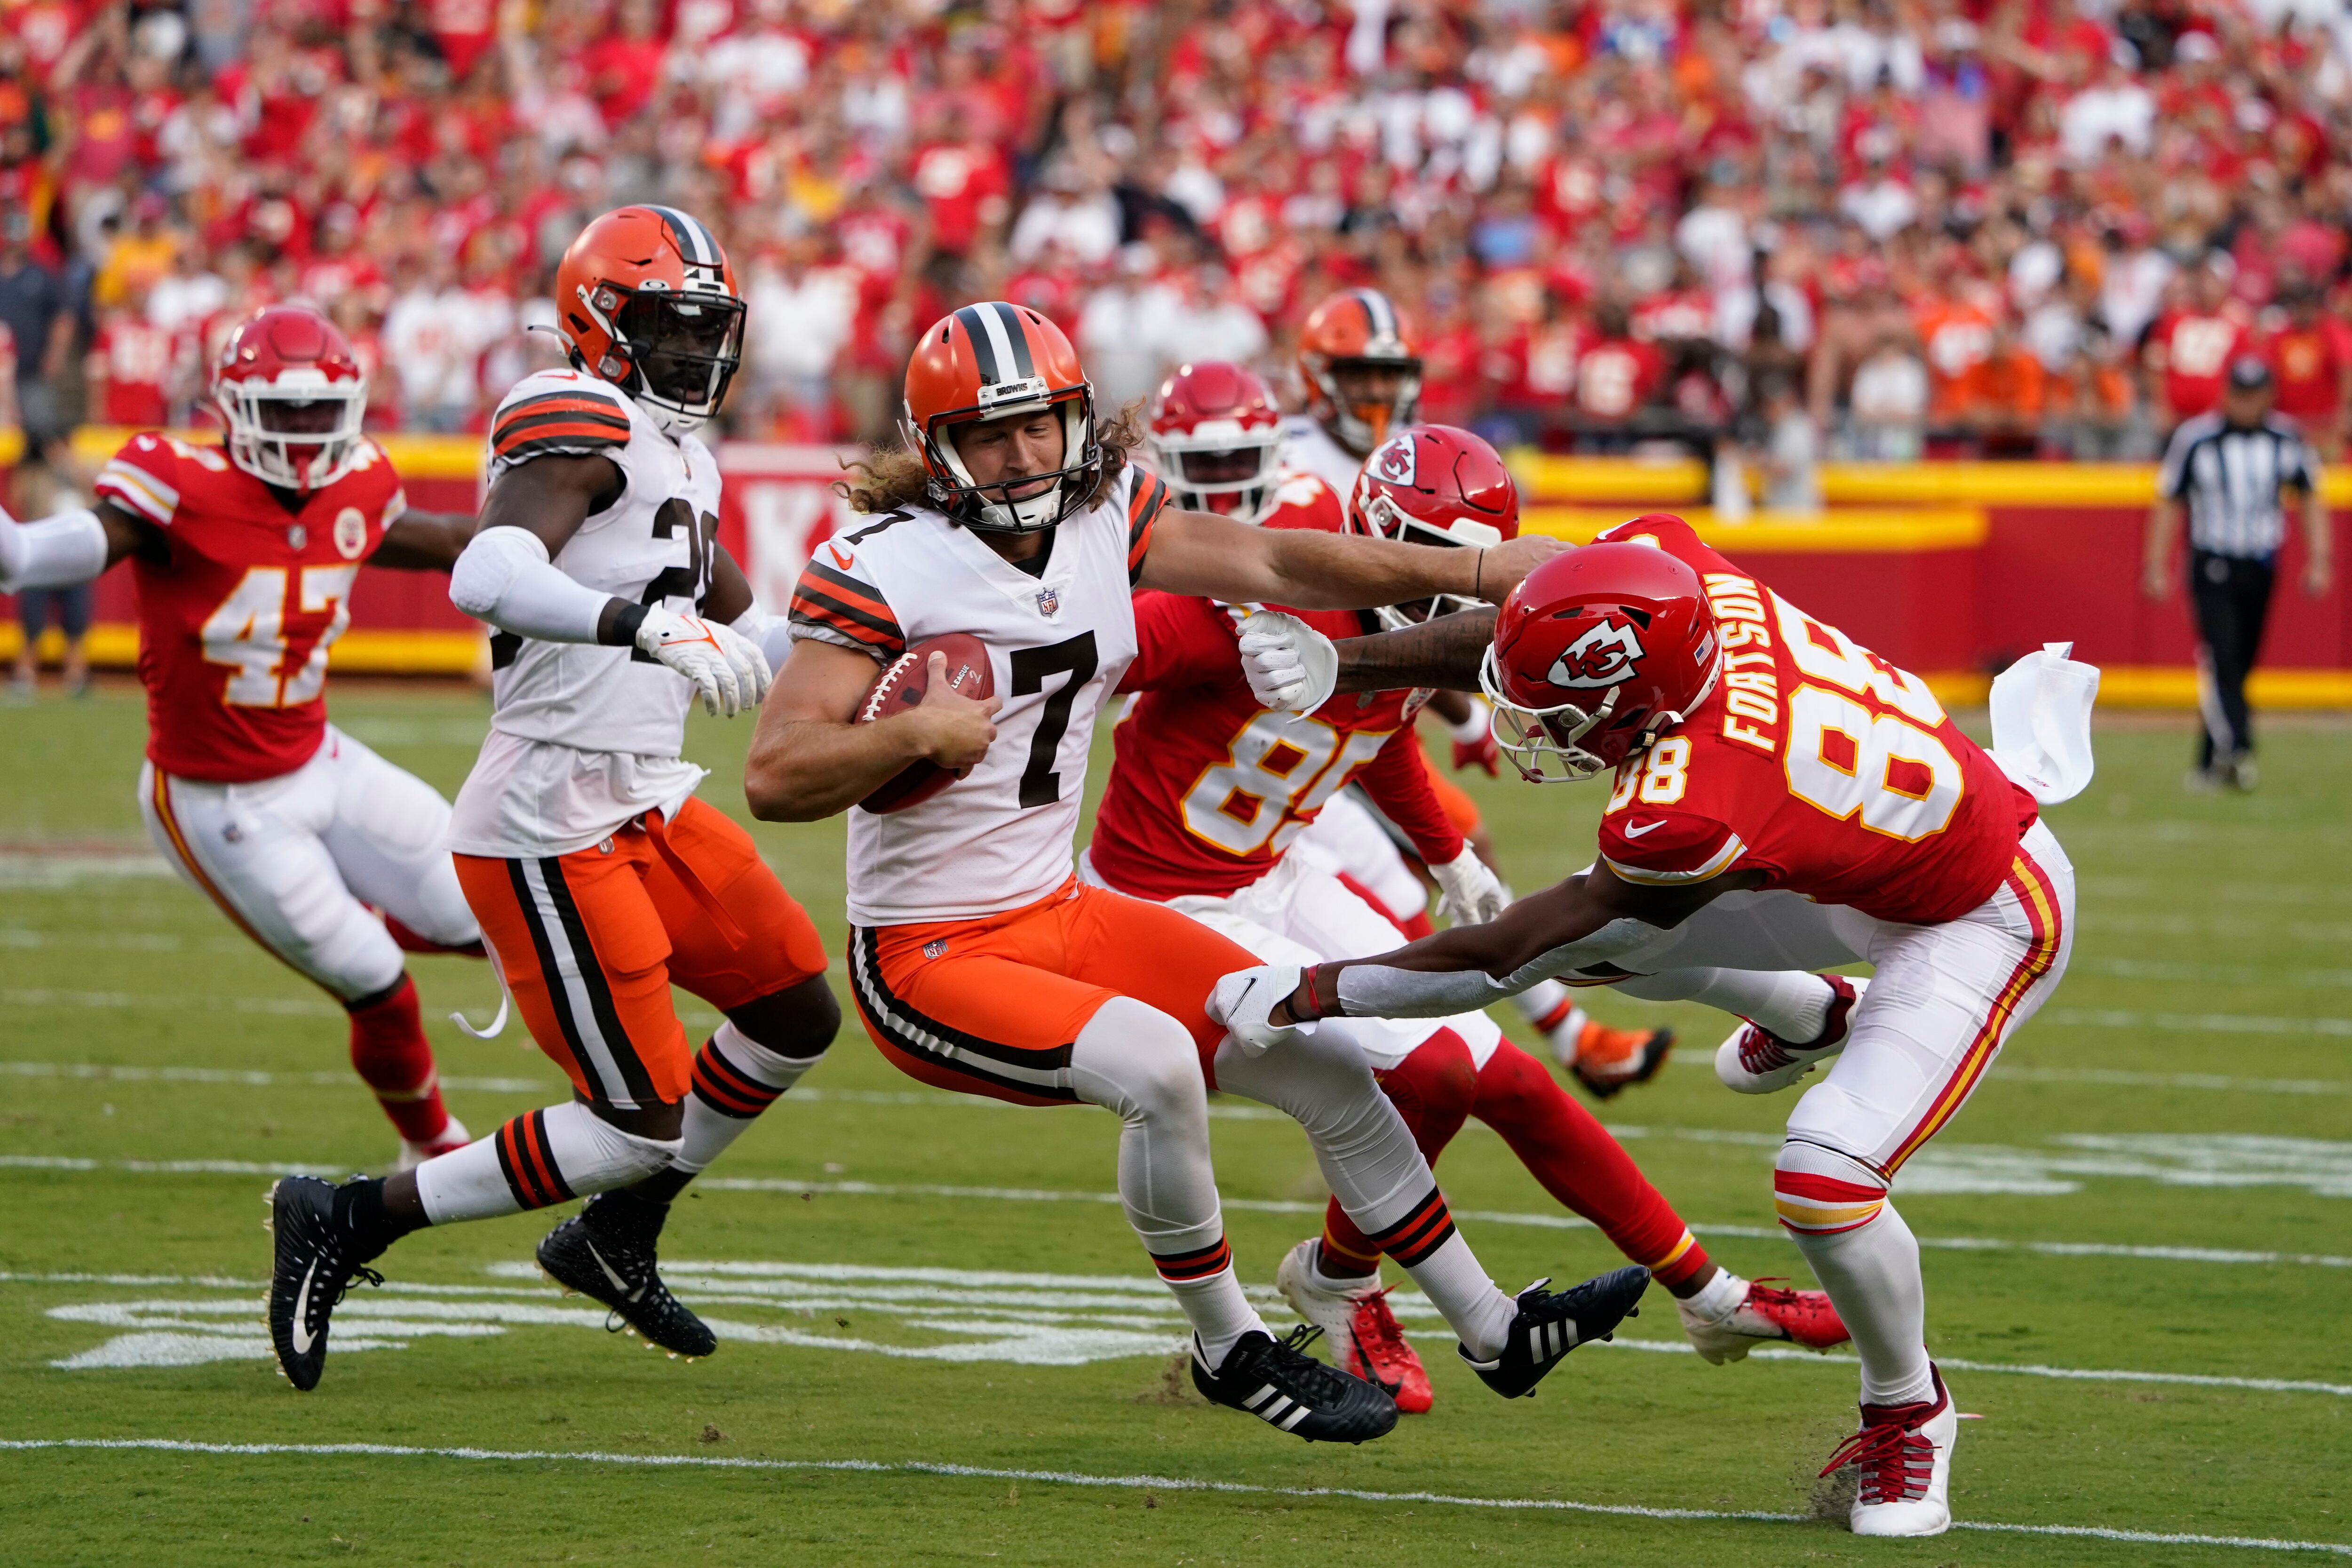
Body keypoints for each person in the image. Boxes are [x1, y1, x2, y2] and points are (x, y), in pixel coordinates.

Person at [748, 301, 1646, 1445]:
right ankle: (1229, 1345)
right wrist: (909, 737)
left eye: (1039, 426)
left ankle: (1491, 1328)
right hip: (926, 953)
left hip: (1059, 908)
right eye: (990, 435)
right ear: (938, 449)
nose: (1023, 456)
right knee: (1158, 1062)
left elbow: (1274, 557)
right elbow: (777, 774)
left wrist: (1472, 567)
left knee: (1317, 1054)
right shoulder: (875, 565)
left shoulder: (1106, 512)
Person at [1213, 515, 2080, 1537]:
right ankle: (1806, 1011)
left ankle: (1908, 1407)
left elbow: (1502, 957)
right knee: (1608, 943)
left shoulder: (1693, 796)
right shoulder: (1672, 580)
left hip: (1978, 908)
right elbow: (1525, 624)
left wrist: (1310, 991)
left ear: (1641, 708)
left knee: (1823, 1177)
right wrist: (1342, 664)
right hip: (1856, 856)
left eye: (1559, 717)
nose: (1533, 728)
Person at [1098, 405, 1847, 1410]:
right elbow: (1094, 650)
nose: (1460, 589)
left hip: (1270, 868)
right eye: (1440, 562)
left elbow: (1377, 729)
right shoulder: (1257, 606)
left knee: (1512, 1079)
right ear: (1379, 543)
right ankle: (1401, 1299)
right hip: (1166, 895)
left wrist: (1449, 854)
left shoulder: (1389, 640)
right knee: (1442, 1063)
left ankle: (1704, 1291)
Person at [260, 207, 839, 1392]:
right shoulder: (569, 409)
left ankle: (618, 1232)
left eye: (707, 327)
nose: (697, 351)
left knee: (793, 1012)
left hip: (645, 799)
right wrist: (639, 621)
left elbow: (743, 629)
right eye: (670, 325)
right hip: (549, 818)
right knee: (635, 1117)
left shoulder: (688, 450)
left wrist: (881, 623)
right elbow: (488, 569)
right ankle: (346, 1215)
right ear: (598, 320)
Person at [0, 304, 486, 1164]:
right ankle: (432, 1145)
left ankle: (381, 906)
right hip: (215, 795)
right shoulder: (176, 481)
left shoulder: (360, 483)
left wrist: (565, 542)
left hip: (318, 756)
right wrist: (21, 553)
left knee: (490, 907)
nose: (303, 432)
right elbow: (92, 540)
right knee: (374, 977)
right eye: (284, 410)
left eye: (318, 412)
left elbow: (439, 541)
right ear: (231, 406)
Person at [2144, 357, 2334, 790]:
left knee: (2240, 664)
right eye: (2240, 394)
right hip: (2212, 561)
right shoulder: (2196, 438)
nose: (2247, 404)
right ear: (2226, 393)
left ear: (2268, 395)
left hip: (2261, 564)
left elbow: (2309, 497)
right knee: (2222, 657)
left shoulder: (2287, 438)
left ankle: (2211, 760)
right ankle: (2239, 750)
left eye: (2255, 395)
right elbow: (2170, 499)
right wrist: (2156, 564)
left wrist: (2320, 558)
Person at [1282, 286, 1424, 493]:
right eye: (1359, 375)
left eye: (1389, 376)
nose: (1376, 392)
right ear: (1316, 376)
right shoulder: (1287, 454)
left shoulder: (1424, 452)